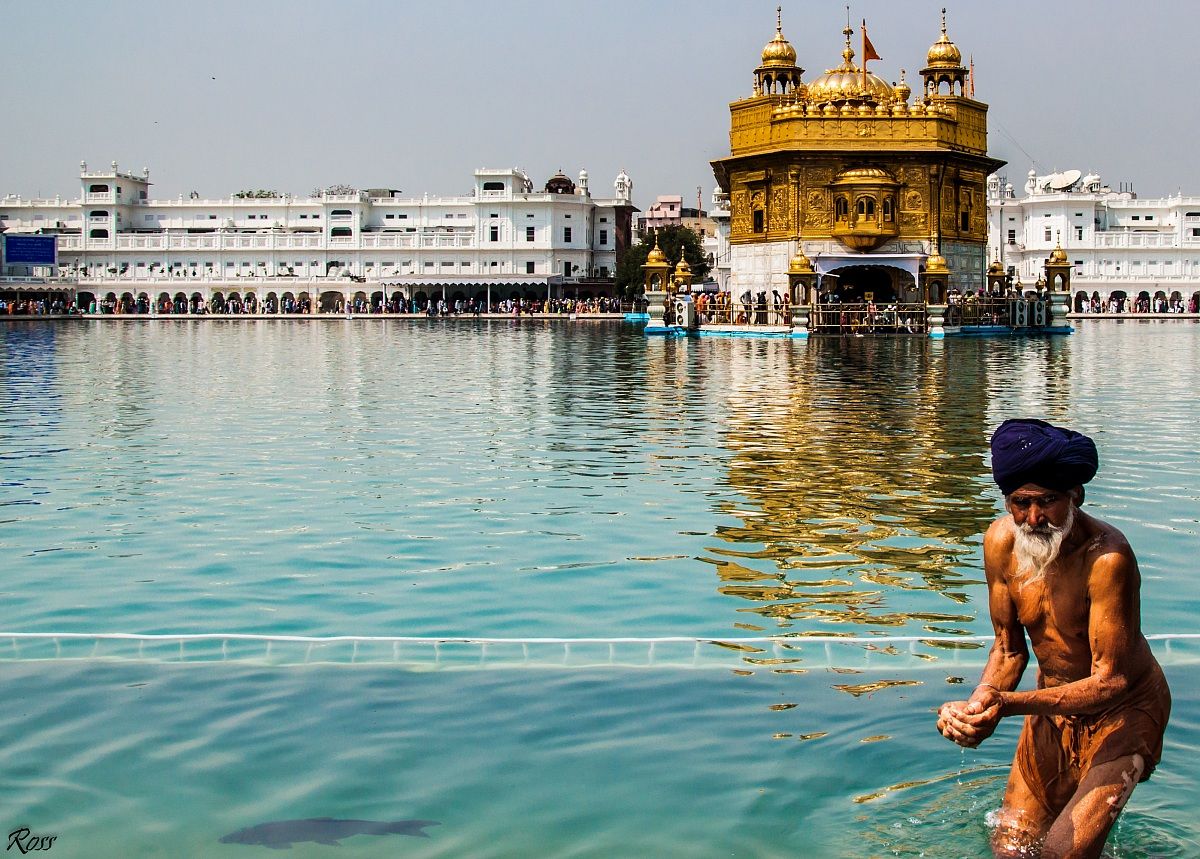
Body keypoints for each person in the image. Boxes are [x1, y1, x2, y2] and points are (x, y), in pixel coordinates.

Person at [937, 419, 1170, 859]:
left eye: (1048, 502)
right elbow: (1008, 650)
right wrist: (978, 704)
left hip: (1125, 712)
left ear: (1075, 497)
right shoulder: (999, 543)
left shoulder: (1107, 558)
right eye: (1021, 503)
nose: (1033, 518)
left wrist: (1006, 706)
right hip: (1054, 706)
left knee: (1062, 855)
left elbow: (1111, 681)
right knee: (1011, 847)